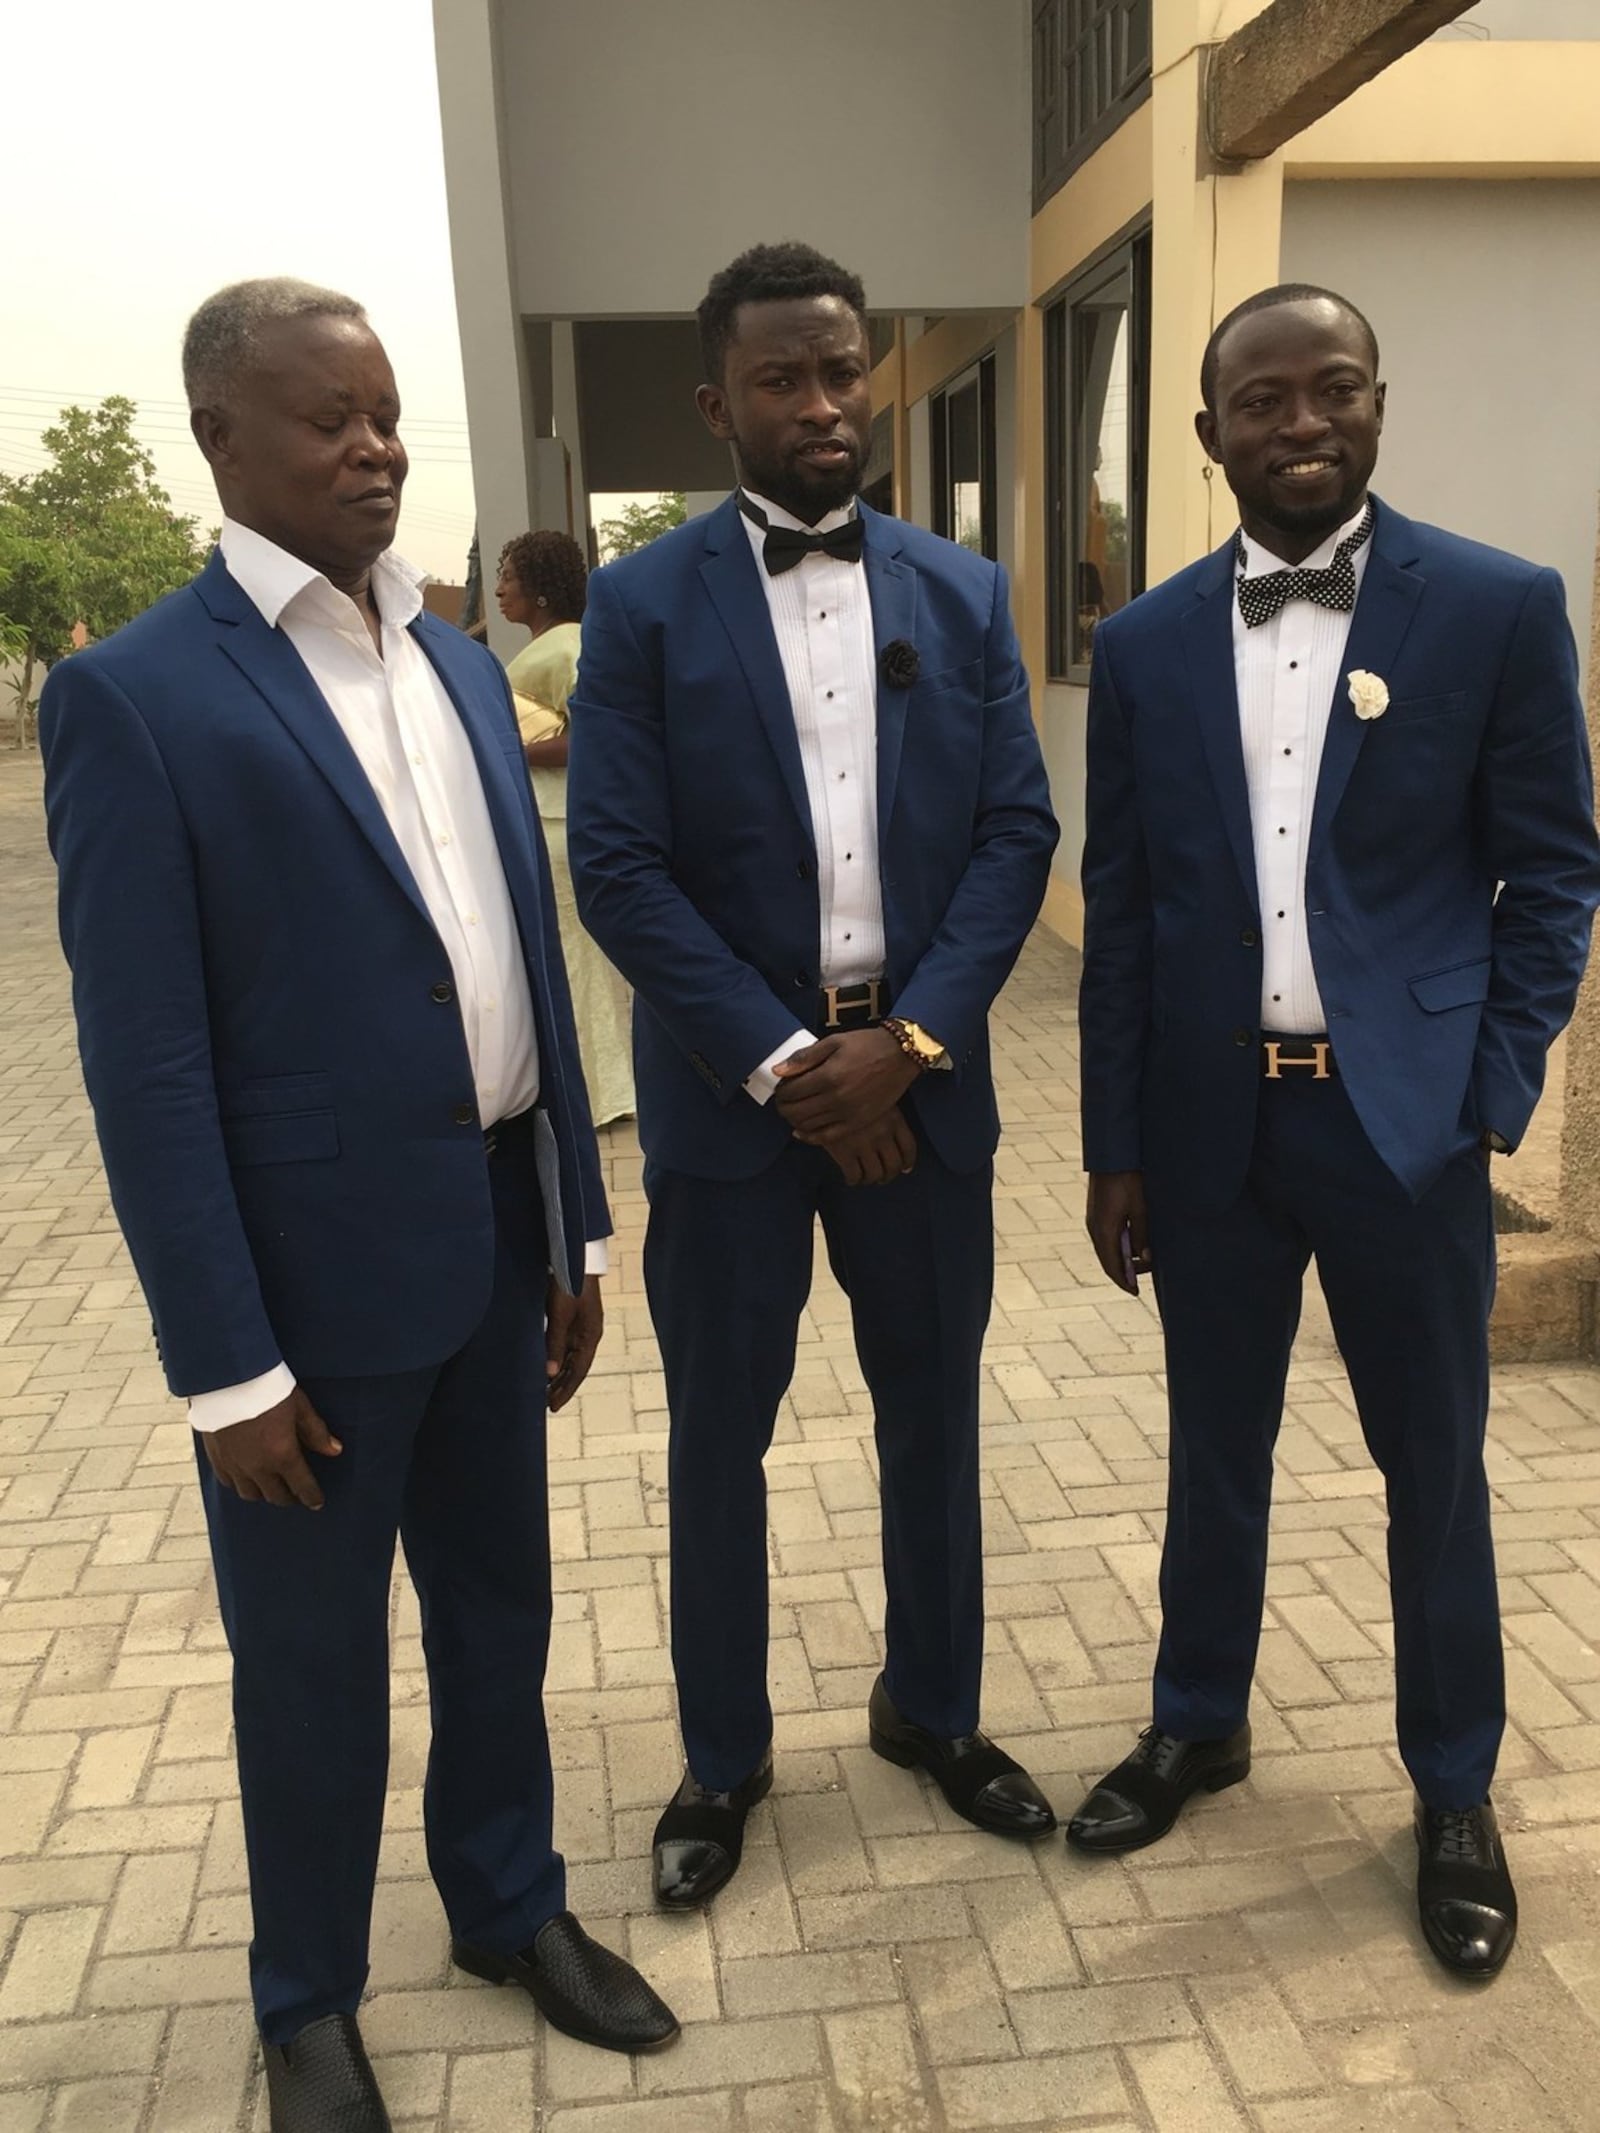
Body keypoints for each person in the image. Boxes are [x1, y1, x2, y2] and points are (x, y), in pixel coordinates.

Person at [39, 278, 677, 2133]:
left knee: (501, 1616)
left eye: (388, 411)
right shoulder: (135, 698)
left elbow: (523, 968)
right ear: (220, 438)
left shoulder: (463, 659)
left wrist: (573, 1222)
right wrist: (223, 1369)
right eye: (330, 416)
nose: (377, 444)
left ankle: (510, 1908)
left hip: (493, 1237)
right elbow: (144, 1069)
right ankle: (304, 1997)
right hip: (307, 1295)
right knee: (312, 1667)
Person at [1073, 282, 1600, 1980]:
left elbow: (1554, 868)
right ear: (1208, 430)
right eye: (1265, 400)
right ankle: (1197, 1720)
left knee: (1432, 1471)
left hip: (1404, 1132)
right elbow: (1129, 903)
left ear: (1379, 402)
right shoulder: (1147, 642)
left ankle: (1452, 1785)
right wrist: (1111, 1142)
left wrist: (1491, 1086)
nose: (1303, 423)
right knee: (1209, 1452)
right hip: (1213, 1124)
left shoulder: (1501, 608)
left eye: (1335, 391)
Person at [567, 241, 1061, 1909]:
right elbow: (619, 864)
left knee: (932, 1415)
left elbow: (1016, 833)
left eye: (843, 368)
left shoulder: (963, 588)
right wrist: (792, 1064)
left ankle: (935, 1708)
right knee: (722, 1432)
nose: (825, 402)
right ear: (720, 402)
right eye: (784, 376)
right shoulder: (639, 606)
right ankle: (724, 1752)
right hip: (733, 1108)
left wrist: (906, 1041)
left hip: (918, 1088)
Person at [496, 530, 636, 1126]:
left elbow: (594, 739)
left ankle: (602, 1092)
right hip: (540, 817)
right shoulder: (550, 644)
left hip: (558, 822)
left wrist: (510, 749)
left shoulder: (570, 645)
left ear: (540, 589)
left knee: (576, 958)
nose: (499, 589)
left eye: (508, 575)